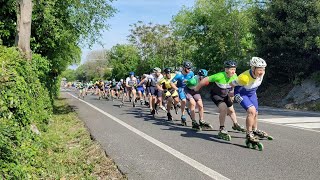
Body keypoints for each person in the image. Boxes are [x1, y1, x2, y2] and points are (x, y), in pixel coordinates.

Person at [195, 60, 245, 141]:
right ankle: (222, 128)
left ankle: (235, 124)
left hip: (226, 95)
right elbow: (205, 80)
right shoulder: (219, 76)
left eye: (234, 69)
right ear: (226, 69)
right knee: (224, 108)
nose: (233, 71)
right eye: (231, 69)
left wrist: (232, 93)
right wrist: (197, 88)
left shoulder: (235, 76)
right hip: (216, 95)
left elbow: (234, 86)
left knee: (231, 110)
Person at [230, 57, 271, 150]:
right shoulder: (244, 77)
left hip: (252, 93)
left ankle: (254, 130)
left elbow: (254, 84)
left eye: (263, 69)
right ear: (253, 68)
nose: (261, 72)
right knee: (251, 111)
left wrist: (254, 93)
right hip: (241, 93)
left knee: (256, 113)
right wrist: (231, 94)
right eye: (259, 70)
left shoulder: (262, 73)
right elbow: (231, 84)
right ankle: (249, 133)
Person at [170, 61, 194, 126]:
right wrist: (176, 89)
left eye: (190, 68)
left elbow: (193, 81)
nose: (189, 70)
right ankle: (183, 115)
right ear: (184, 68)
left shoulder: (191, 73)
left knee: (191, 102)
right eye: (188, 68)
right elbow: (171, 82)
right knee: (183, 100)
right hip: (181, 88)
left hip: (188, 88)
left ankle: (189, 110)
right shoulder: (179, 75)